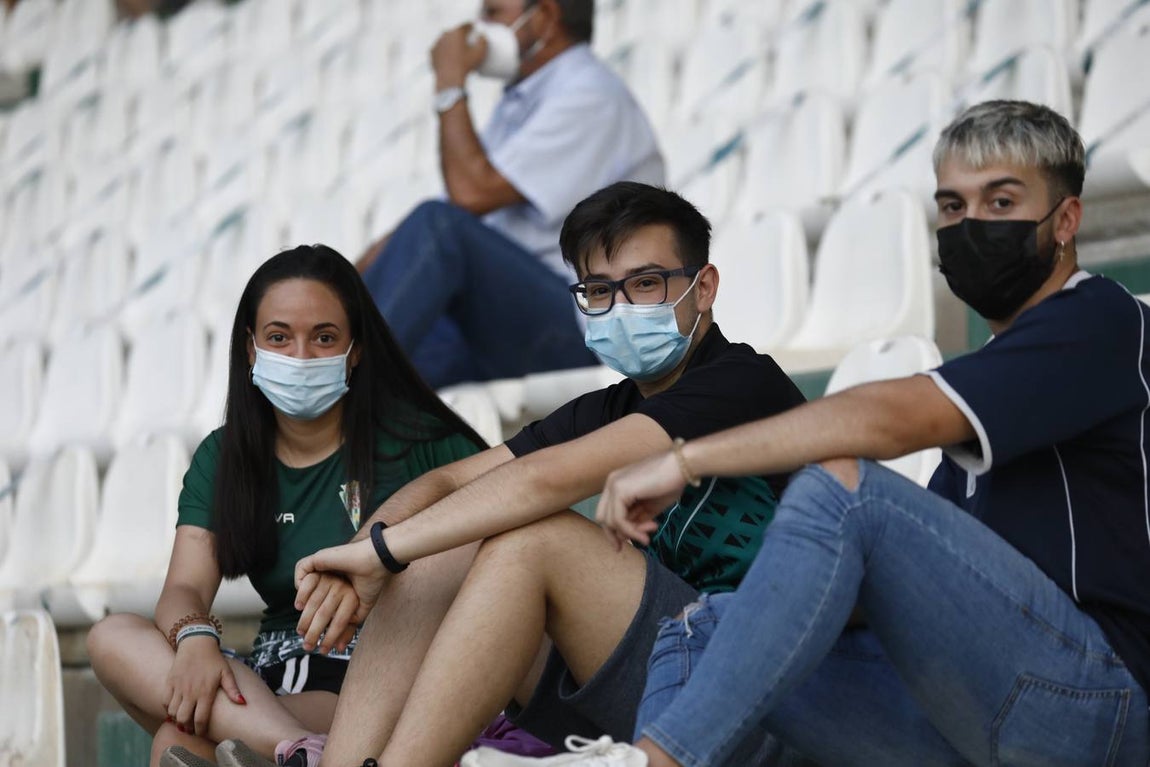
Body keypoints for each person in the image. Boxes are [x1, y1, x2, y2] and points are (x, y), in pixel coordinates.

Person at [466, 100, 1150, 766]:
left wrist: (685, 460)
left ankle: (658, 760)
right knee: (701, 624)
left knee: (844, 489)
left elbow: (888, 420)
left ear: (1066, 220)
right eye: (951, 206)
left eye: (1000, 203)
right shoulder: (995, 373)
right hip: (980, 695)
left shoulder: (1099, 321)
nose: (970, 225)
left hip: (1094, 699)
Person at [224, 182, 807, 767]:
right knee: (444, 539)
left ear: (702, 287)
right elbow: (449, 483)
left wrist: (383, 549)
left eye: (646, 284)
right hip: (663, 677)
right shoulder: (607, 406)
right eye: (599, 291)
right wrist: (359, 550)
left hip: (765, 695)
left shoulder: (740, 382)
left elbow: (544, 482)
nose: (622, 309)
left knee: (531, 538)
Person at [85, 245, 487, 767]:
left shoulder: (422, 441)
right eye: (279, 338)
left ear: (356, 349)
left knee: (175, 742)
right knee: (111, 635)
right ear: (250, 349)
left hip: (382, 670)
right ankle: (296, 750)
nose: (300, 357)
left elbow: (498, 537)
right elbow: (183, 587)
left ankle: (291, 748)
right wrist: (195, 641)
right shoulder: (224, 455)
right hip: (268, 671)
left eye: (323, 338)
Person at [356, 0, 664, 389]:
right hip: (508, 319)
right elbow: (460, 209)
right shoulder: (524, 98)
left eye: (493, 13)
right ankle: (310, 418)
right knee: (396, 350)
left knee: (440, 228)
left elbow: (469, 196)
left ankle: (328, 409)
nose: (477, 27)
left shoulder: (589, 95)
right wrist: (356, 272)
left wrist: (450, 84)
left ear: (545, 18)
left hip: (581, 328)